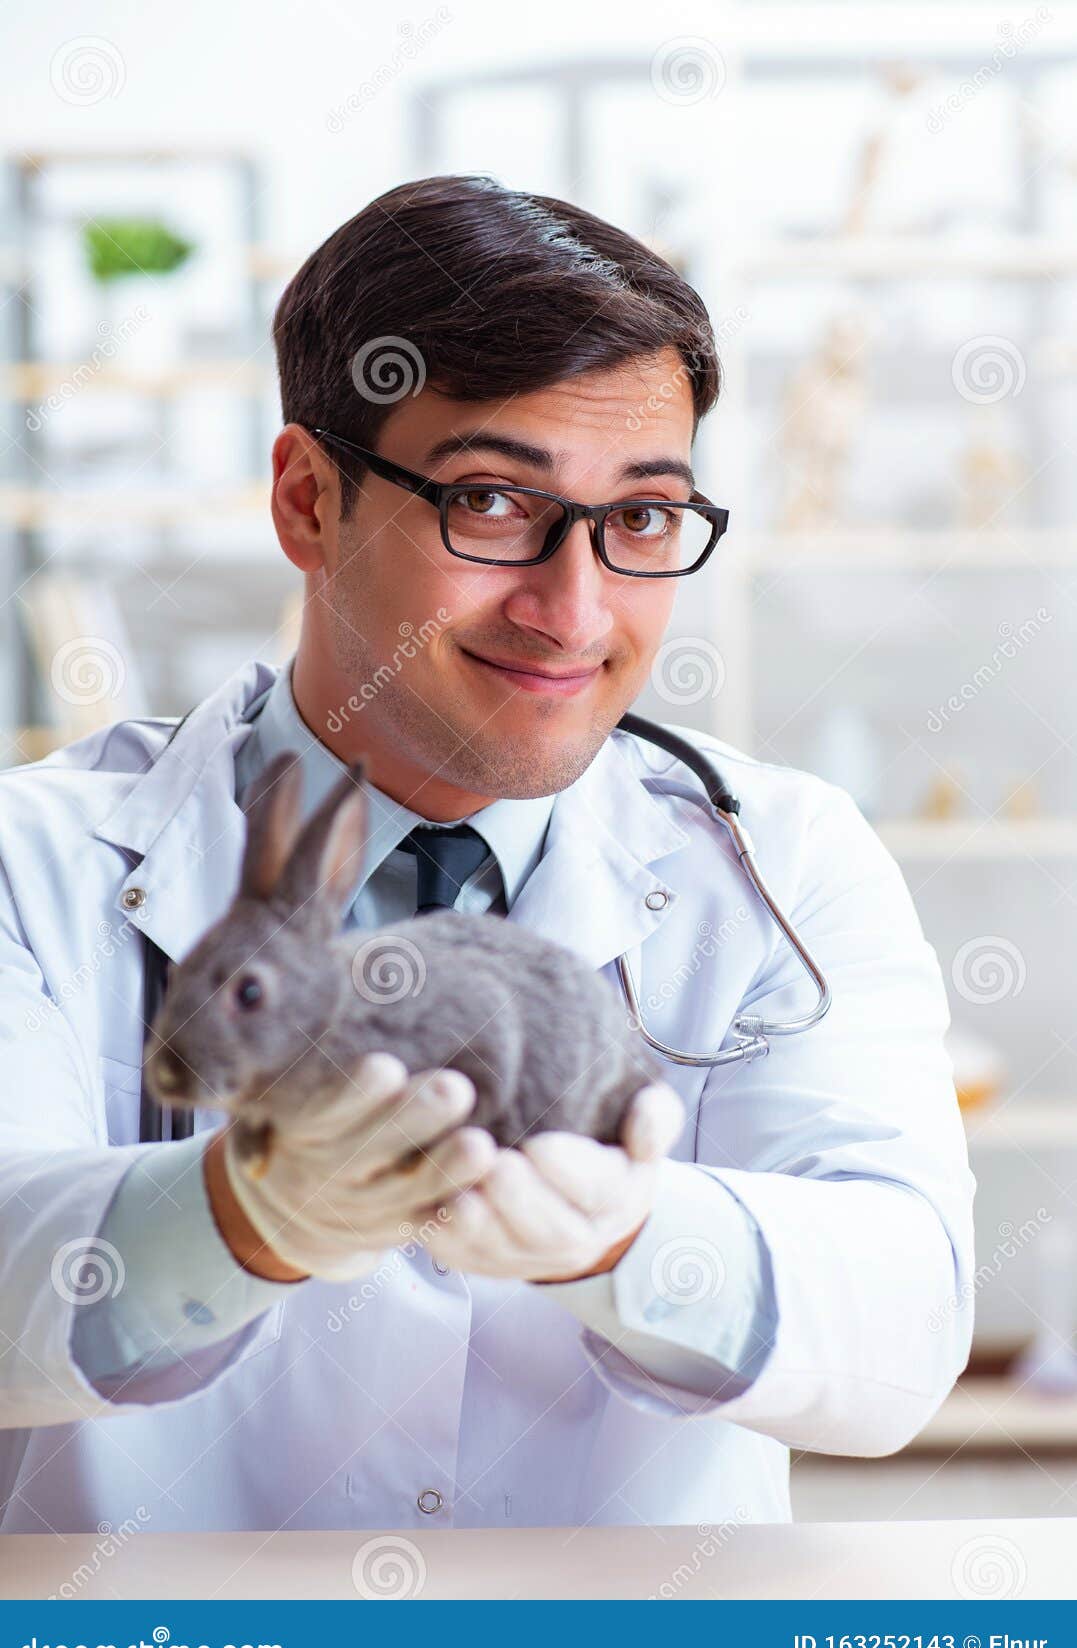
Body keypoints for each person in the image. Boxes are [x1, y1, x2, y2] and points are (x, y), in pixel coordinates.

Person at [0, 175, 974, 1534]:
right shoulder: (31, 864)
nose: (572, 607)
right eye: (493, 503)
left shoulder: (780, 864)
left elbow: (900, 1328)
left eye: (639, 518)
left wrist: (631, 1240)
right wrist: (238, 1217)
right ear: (306, 501)